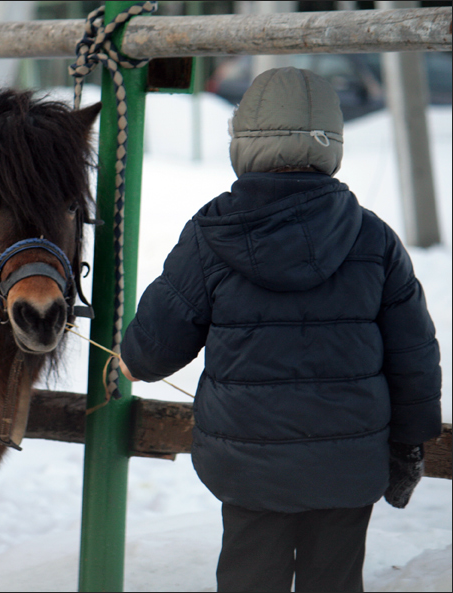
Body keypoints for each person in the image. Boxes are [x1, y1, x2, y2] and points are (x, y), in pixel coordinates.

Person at [118, 67, 442, 592]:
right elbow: (415, 357)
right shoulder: (374, 239)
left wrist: (129, 359)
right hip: (347, 465)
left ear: (244, 140)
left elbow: (153, 349)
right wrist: (409, 444)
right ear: (333, 141)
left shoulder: (212, 234)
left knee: (249, 577)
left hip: (248, 468)